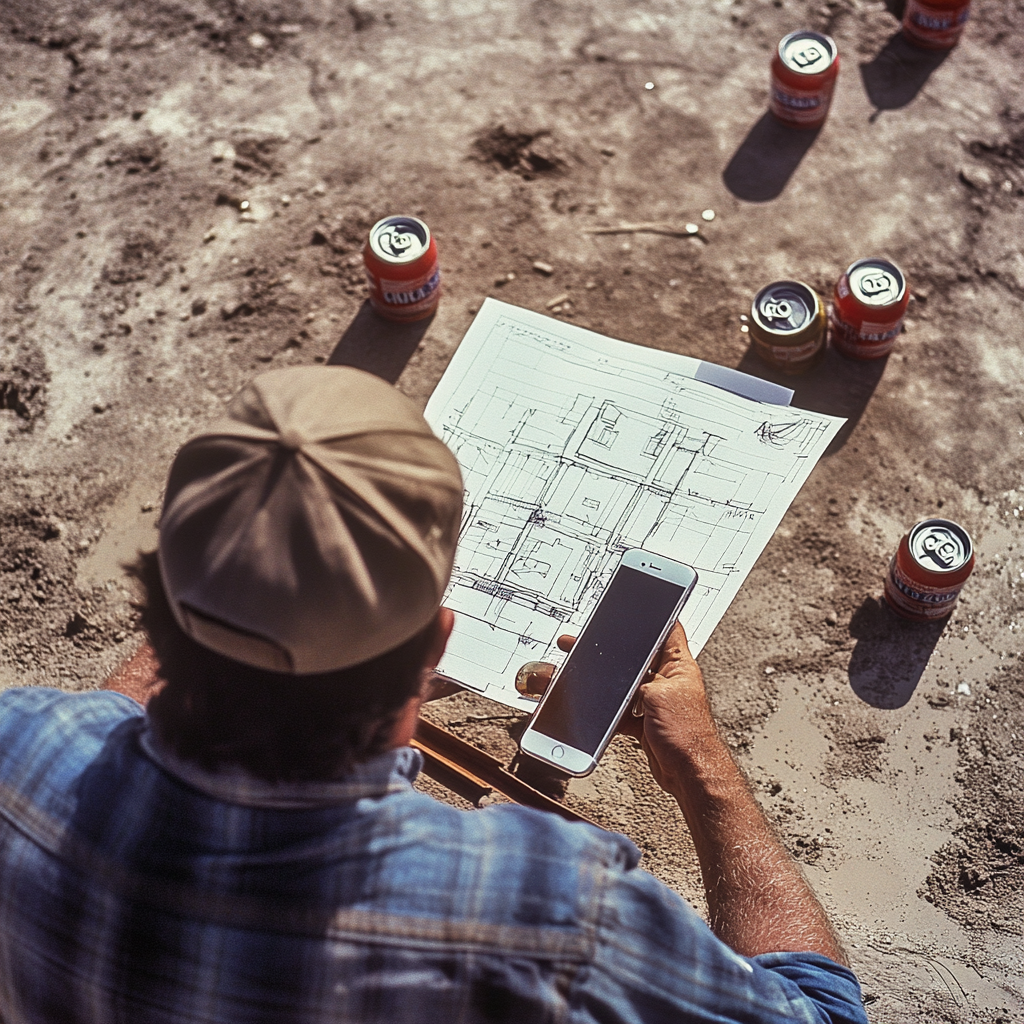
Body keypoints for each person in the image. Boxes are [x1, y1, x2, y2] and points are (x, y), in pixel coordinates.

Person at [0, 366, 868, 1024]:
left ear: (159, 599)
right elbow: (821, 1013)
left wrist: (241, 588)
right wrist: (705, 769)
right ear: (433, 653)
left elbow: (107, 716)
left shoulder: (18, 747)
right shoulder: (549, 914)